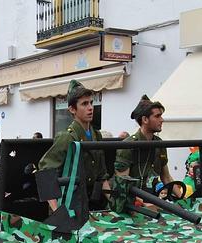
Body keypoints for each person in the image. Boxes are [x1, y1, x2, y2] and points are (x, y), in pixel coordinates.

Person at [38, 80, 110, 211]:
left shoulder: (96, 136)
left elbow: (102, 176)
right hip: (69, 207)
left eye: (91, 103)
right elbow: (45, 174)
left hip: (91, 206)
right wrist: (57, 211)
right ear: (72, 109)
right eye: (84, 104)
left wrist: (114, 203)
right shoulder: (67, 137)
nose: (90, 108)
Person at [115, 94, 175, 193]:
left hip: (153, 199)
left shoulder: (159, 144)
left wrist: (184, 201)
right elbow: (123, 184)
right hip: (133, 203)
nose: (162, 120)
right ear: (145, 120)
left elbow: (166, 178)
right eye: (157, 116)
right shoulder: (128, 145)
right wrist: (142, 203)